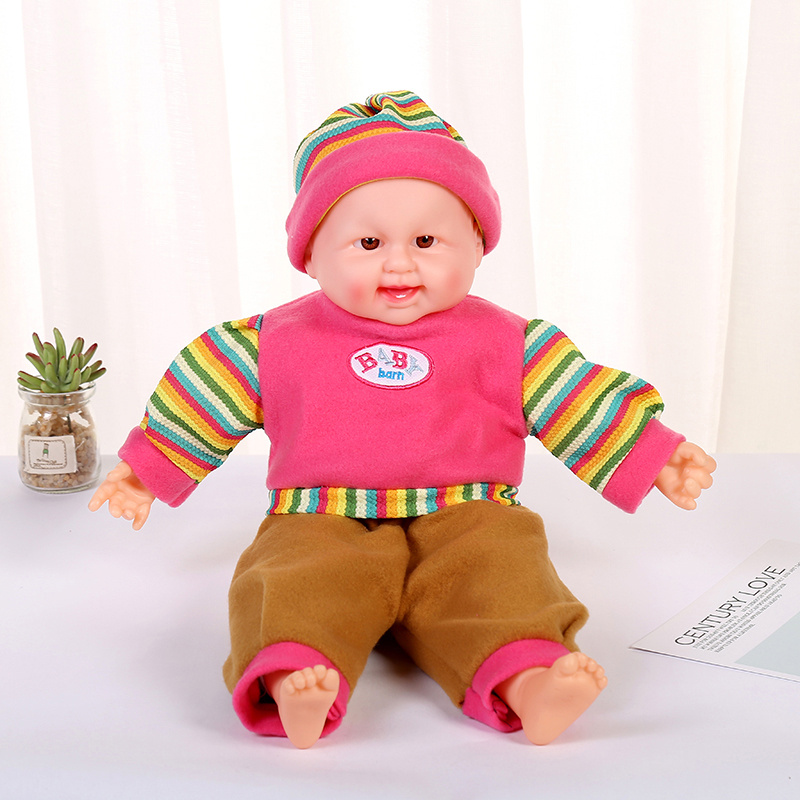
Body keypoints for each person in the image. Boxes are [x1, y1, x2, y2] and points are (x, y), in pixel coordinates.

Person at [89, 91, 716, 749]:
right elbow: (203, 395)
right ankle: (295, 672)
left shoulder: (506, 343)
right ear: (311, 255)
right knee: (291, 578)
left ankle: (529, 679)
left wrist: (652, 452)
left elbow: (576, 396)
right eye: (368, 242)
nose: (399, 262)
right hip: (321, 511)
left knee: (502, 571)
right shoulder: (275, 341)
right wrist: (146, 469)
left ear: (478, 246)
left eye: (426, 240)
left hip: (468, 508)